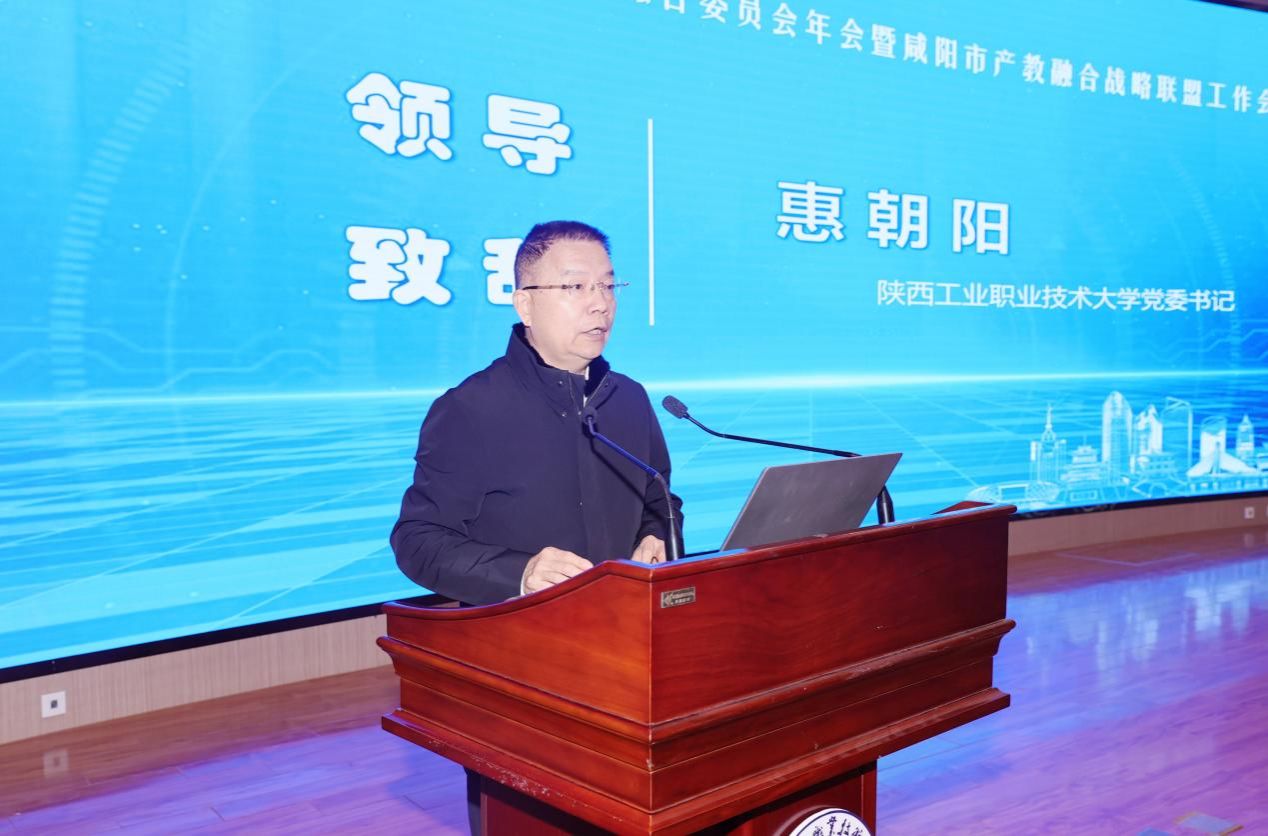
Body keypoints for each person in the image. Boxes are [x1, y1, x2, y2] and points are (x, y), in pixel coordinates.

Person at [389, 219, 684, 833]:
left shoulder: (630, 399)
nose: (600, 303)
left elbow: (661, 500)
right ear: (524, 304)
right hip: (522, 670)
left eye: (608, 285)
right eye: (575, 286)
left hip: (630, 661)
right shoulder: (471, 408)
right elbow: (416, 541)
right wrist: (519, 572)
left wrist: (656, 536)